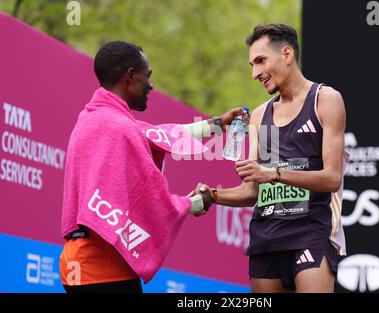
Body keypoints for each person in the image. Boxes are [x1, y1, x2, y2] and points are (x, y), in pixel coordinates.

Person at [60, 41, 242, 293]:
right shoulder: (118, 128)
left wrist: (216, 124)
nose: (152, 85)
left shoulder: (94, 119)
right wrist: (196, 202)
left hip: (78, 265)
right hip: (105, 271)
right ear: (131, 75)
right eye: (148, 76)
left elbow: (156, 134)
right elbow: (150, 199)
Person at [196, 24, 347, 293]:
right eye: (252, 65)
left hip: (311, 231)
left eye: (260, 61)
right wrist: (213, 196)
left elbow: (332, 178)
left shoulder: (325, 100)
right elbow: (251, 192)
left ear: (287, 54)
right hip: (265, 237)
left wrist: (273, 173)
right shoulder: (258, 115)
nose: (255, 73)